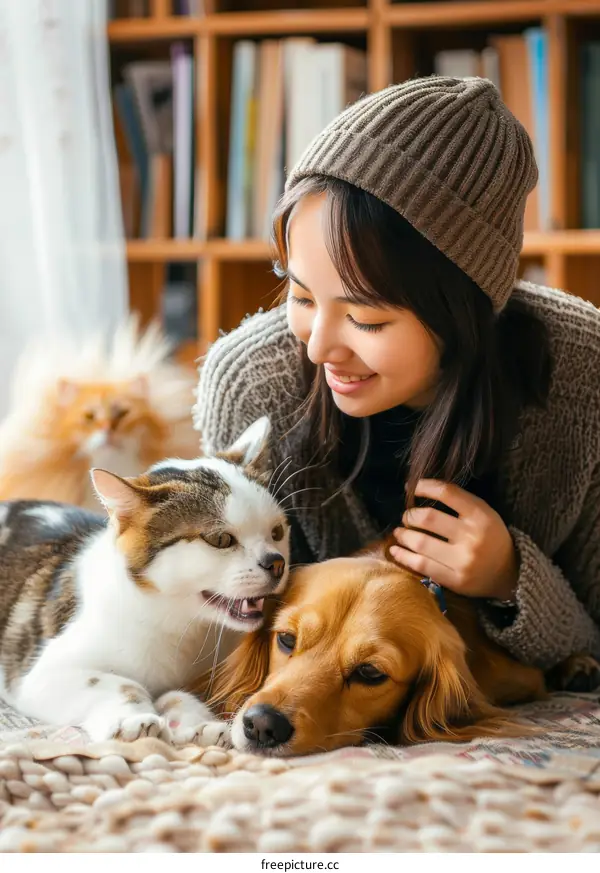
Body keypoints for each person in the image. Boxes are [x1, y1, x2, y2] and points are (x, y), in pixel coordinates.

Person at [195, 76, 600, 671]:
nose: (318, 348)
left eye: (365, 319)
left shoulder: (580, 377)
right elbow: (229, 623)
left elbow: (592, 642)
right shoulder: (252, 381)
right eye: (301, 296)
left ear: (461, 310)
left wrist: (510, 580)